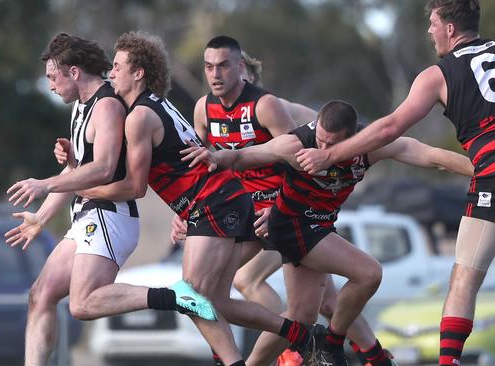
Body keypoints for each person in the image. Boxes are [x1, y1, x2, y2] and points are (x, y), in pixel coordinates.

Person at [77, 31, 319, 366]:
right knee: (214, 300)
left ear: (138, 73)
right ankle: (301, 335)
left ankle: (241, 357)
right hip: (220, 200)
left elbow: (135, 187)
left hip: (214, 202)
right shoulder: (152, 107)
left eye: (117, 66)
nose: (111, 73)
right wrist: (75, 163)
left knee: (190, 294)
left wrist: (83, 190)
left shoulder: (140, 117)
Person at [183, 99, 474, 366]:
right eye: (319, 140)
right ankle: (332, 345)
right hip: (292, 225)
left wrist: (482, 170)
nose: (321, 149)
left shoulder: (369, 145)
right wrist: (215, 157)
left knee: (301, 316)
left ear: (350, 139)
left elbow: (431, 156)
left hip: (318, 225)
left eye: (330, 144)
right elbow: (245, 156)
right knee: (369, 272)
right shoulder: (296, 144)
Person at [172, 37, 396, 366]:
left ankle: (289, 348)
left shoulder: (266, 106)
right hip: (248, 208)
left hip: (282, 210)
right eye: (209, 67)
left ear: (242, 71)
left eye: (224, 67)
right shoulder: (205, 108)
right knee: (322, 302)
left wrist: (278, 206)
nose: (216, 75)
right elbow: (207, 169)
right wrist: (186, 211)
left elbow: (302, 164)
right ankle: (365, 355)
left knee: (245, 283)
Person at [295, 2, 492, 365]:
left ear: (449, 29)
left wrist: (329, 156)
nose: (429, 32)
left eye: (433, 24)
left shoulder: (438, 74)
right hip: (485, 170)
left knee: (464, 279)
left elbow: (390, 128)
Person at [4, 33, 217, 366]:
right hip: (88, 216)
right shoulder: (81, 106)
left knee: (82, 305)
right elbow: (76, 175)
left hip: (108, 216)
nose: (50, 86)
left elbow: (103, 169)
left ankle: (174, 296)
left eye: (52, 76)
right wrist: (41, 218)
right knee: (40, 295)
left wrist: (44, 184)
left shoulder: (107, 105)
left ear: (73, 72)